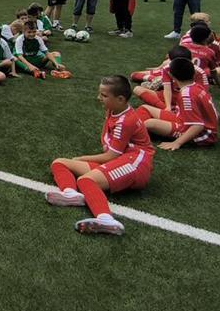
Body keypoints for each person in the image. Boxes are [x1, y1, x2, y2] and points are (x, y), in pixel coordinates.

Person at [45, 74, 155, 236]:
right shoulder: (113, 109)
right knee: (59, 163)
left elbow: (110, 156)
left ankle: (106, 220)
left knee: (86, 180)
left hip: (136, 164)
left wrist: (82, 158)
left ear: (120, 99)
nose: (99, 98)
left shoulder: (126, 121)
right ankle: (71, 194)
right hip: (121, 159)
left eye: (104, 95)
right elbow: (108, 145)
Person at [135, 57, 220, 150]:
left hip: (203, 135)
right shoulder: (196, 86)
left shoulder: (186, 96)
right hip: (185, 120)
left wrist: (177, 143)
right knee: (144, 108)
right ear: (194, 73)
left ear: (171, 75)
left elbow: (198, 126)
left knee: (149, 123)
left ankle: (130, 133)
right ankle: (133, 130)